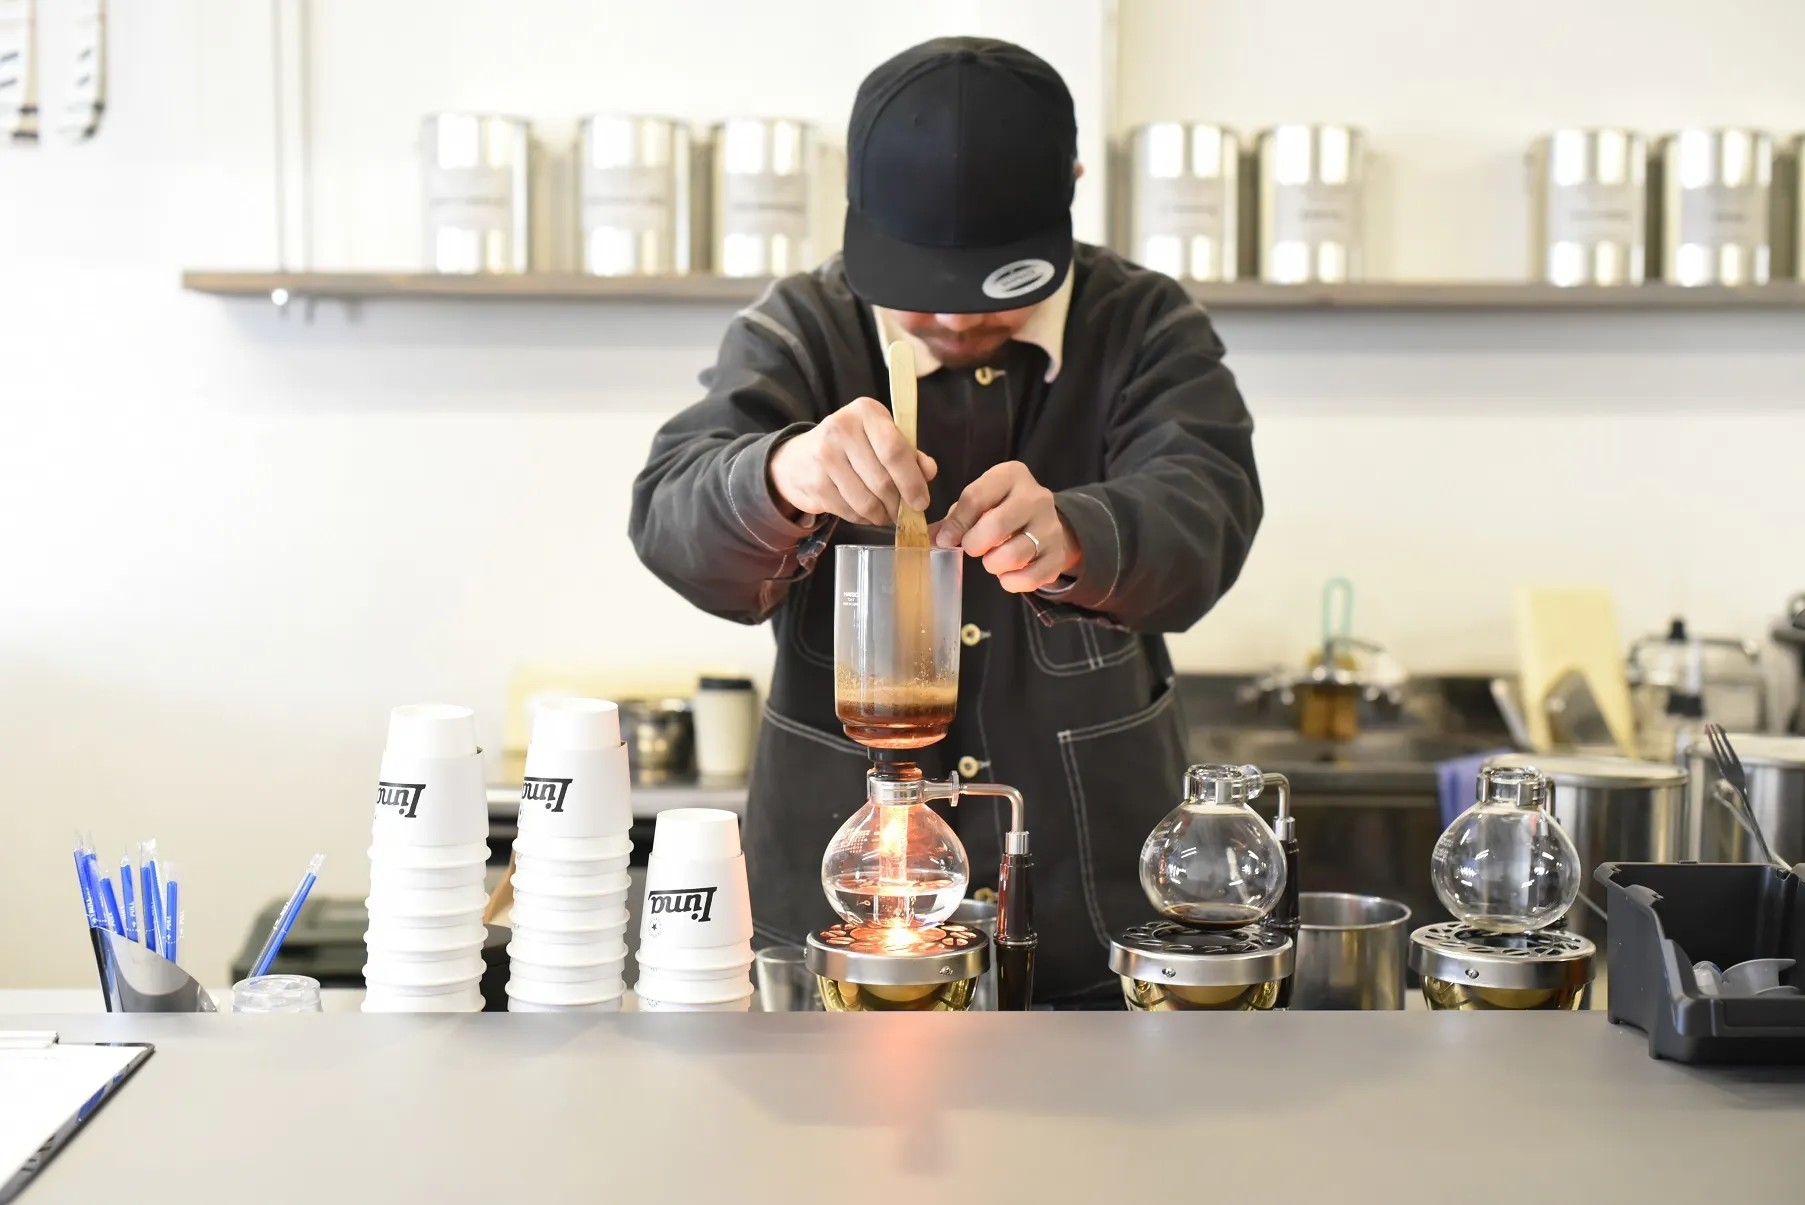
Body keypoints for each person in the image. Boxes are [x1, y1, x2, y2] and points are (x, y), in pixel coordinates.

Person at [630, 36, 1262, 1006]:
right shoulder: (804, 325)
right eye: (924, 293)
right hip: (833, 915)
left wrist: (1081, 534)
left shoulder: (1140, 324)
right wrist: (780, 473)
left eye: (993, 294)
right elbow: (670, 509)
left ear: (1070, 192)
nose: (959, 323)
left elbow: (1207, 505)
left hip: (1087, 909)